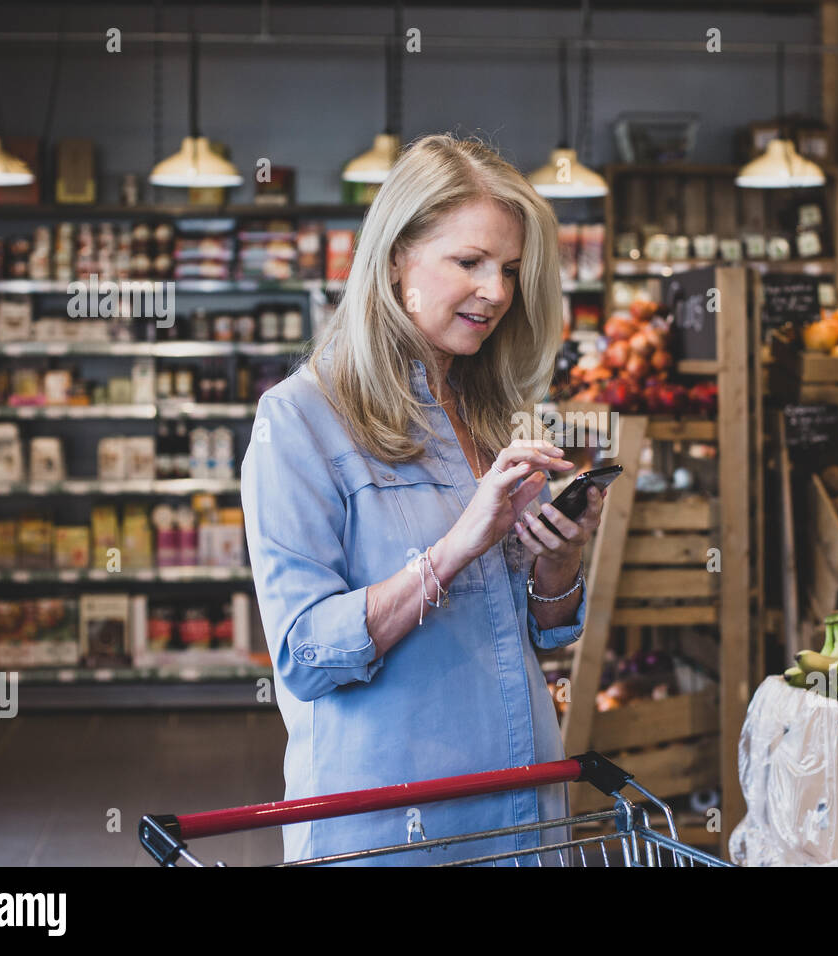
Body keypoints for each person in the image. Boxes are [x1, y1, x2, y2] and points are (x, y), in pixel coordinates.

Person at [240, 133, 606, 865]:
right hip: (389, 821)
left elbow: (529, 634)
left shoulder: (490, 410)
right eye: (468, 262)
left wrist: (557, 568)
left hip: (521, 806)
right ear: (396, 256)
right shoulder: (299, 420)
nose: (497, 291)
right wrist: (455, 547)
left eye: (508, 269)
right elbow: (306, 653)